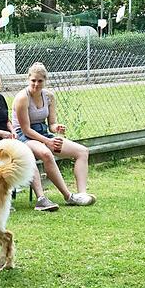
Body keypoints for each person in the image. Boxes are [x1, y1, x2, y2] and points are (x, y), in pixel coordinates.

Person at [0, 68, 60, 212]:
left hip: (5, 141)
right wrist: (0, 133)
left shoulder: (0, 98)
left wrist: (12, 130)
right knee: (6, 160)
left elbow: (6, 119)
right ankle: (1, 202)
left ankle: (41, 198)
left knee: (25, 156)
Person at [12, 62, 96, 207]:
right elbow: (26, 130)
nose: (36, 84)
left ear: (45, 81)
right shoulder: (22, 98)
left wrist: (57, 128)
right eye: (33, 80)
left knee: (82, 151)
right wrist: (48, 142)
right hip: (24, 136)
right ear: (28, 79)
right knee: (46, 153)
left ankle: (82, 194)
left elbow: (51, 124)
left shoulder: (49, 96)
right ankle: (68, 196)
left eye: (40, 81)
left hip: (43, 132)